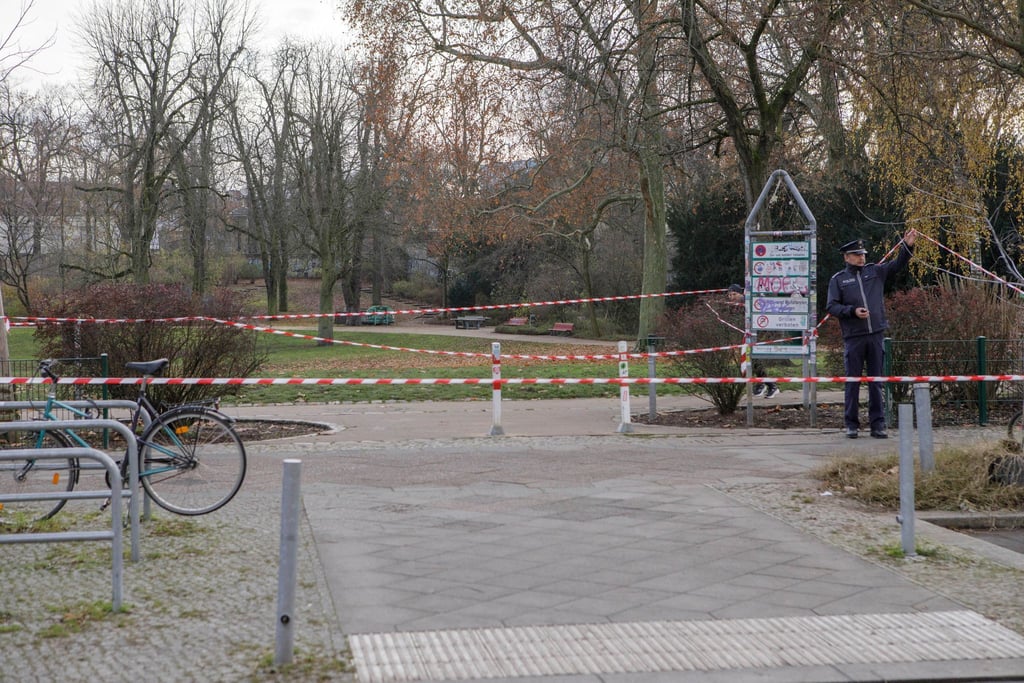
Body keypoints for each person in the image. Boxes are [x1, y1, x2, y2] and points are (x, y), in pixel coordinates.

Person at [825, 230, 917, 439]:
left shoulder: (874, 272)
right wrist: (852, 312)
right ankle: (851, 424)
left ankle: (878, 424)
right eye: (857, 254)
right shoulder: (838, 280)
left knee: (876, 381)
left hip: (875, 334)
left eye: (863, 254)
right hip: (853, 337)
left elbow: (898, 265)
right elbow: (831, 306)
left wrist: (907, 246)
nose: (862, 257)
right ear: (847, 257)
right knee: (853, 382)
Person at [727, 284, 779, 399]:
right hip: (748, 334)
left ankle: (769, 385)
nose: (732, 297)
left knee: (753, 358)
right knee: (752, 359)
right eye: (729, 295)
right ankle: (764, 384)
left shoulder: (748, 301)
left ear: (741, 293)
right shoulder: (735, 306)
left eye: (734, 294)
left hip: (760, 332)